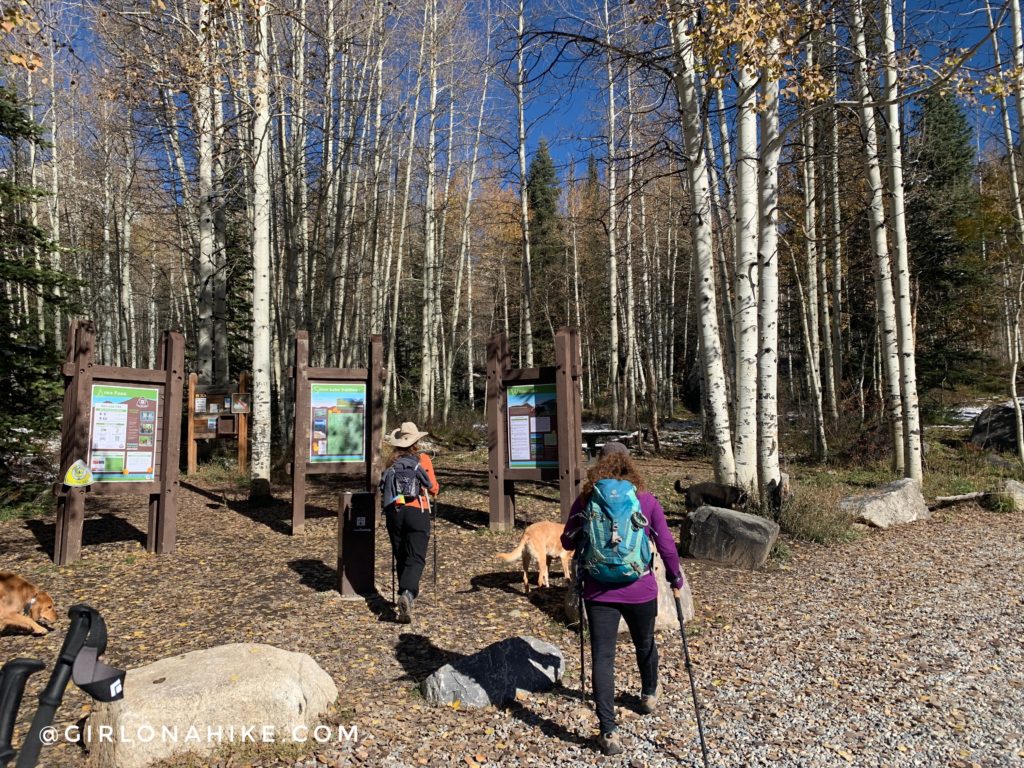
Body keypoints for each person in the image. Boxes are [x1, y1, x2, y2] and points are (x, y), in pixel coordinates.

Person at [561, 441, 685, 756]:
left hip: (599, 589)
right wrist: (675, 579)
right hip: (640, 587)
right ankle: (648, 694)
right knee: (644, 642)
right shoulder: (645, 500)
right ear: (630, 465)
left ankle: (609, 732)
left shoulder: (588, 498)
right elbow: (667, 545)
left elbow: (566, 539)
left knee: (603, 657)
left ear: (599, 465)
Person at [380, 421, 440, 624]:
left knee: (401, 554)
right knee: (416, 557)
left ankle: (404, 593)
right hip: (418, 511)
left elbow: (383, 486)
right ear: (416, 441)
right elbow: (433, 488)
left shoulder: (391, 461)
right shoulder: (422, 460)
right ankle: (408, 593)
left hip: (395, 512)